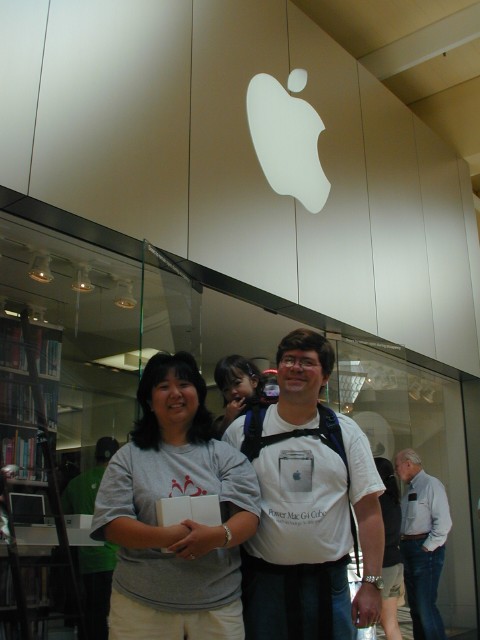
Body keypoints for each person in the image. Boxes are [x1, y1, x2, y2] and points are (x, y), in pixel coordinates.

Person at [223, 328, 385, 640]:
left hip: (331, 585)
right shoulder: (242, 432)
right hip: (264, 585)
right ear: (278, 369)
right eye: (289, 360)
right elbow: (226, 509)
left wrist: (371, 583)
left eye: (307, 362)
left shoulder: (345, 433)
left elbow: (369, 512)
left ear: (325, 376)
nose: (296, 368)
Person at [90, 351, 261, 640]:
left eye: (184, 384)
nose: (175, 393)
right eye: (163, 386)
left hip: (217, 605)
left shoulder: (224, 455)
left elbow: (248, 514)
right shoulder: (128, 458)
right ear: (149, 401)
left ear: (197, 393)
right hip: (140, 606)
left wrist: (218, 536)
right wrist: (171, 537)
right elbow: (112, 523)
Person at [61, 436, 120, 640]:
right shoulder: (119, 482)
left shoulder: (76, 483)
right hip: (115, 560)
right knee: (112, 615)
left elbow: (62, 515)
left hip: (87, 560)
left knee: (92, 612)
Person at [394, 448, 452, 640]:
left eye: (397, 466)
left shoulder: (431, 484)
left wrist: (427, 547)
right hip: (410, 548)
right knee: (417, 608)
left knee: (425, 605)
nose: (396, 471)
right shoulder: (410, 489)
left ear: (408, 463)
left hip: (423, 549)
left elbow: (443, 523)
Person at [374, 457, 404, 640]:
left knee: (371, 623)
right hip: (396, 564)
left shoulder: (377, 502)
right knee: (391, 624)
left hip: (383, 566)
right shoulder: (394, 500)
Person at [213, 355, 264, 436]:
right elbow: (218, 443)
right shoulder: (223, 420)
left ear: (254, 381)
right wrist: (228, 419)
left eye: (237, 383)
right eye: (226, 389)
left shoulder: (267, 406)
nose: (232, 392)